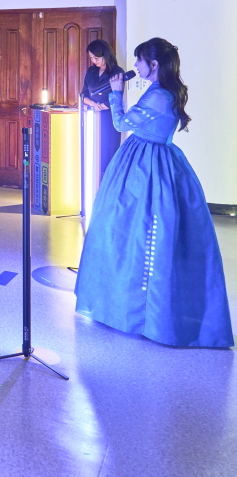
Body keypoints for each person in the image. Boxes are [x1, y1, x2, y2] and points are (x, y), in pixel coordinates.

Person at [75, 37, 233, 348]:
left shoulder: (160, 95)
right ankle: (123, 305)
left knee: (139, 234)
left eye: (139, 61)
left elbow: (121, 123)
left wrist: (116, 94)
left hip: (146, 167)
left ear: (154, 64)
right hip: (148, 159)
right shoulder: (163, 91)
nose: (135, 65)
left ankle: (145, 314)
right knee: (129, 233)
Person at [80, 39, 125, 178]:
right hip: (92, 115)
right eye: (91, 58)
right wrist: (93, 104)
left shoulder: (117, 72)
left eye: (96, 58)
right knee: (92, 151)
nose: (94, 61)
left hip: (109, 118)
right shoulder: (91, 71)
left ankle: (106, 180)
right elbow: (83, 94)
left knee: (108, 151)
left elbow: (117, 95)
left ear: (105, 54)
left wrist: (103, 106)